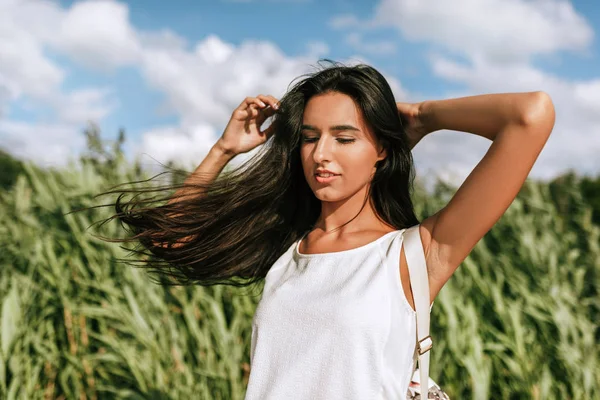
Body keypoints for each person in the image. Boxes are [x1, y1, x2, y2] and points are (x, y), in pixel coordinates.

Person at [109, 60, 555, 398]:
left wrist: (422, 116)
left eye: (344, 138)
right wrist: (224, 150)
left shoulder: (415, 253)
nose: (321, 153)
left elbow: (530, 115)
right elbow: (171, 238)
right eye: (309, 136)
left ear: (381, 149)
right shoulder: (288, 246)